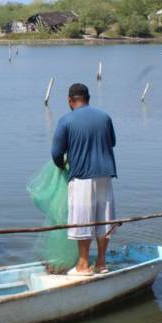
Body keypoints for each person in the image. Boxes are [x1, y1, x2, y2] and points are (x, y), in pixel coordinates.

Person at [51, 83, 117, 276]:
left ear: (70, 101)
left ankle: (83, 265)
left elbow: (56, 152)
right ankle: (101, 264)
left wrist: (62, 165)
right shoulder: (105, 117)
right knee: (104, 220)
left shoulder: (66, 120)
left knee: (83, 221)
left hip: (81, 177)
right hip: (105, 174)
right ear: (88, 98)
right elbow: (112, 142)